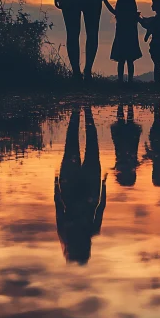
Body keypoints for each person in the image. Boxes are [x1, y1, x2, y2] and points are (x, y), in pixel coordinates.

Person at [55, 106, 107, 265]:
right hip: (72, 187)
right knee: (73, 143)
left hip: (85, 187)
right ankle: (77, 111)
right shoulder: (66, 231)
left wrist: (104, 186)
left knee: (90, 145)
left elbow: (101, 206)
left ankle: (84, 111)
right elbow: (57, 205)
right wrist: (56, 184)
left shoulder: (91, 231)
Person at [105, 0, 142, 84]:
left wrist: (105, 0)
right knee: (130, 61)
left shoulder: (119, 15)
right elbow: (144, 23)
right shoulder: (134, 16)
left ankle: (120, 79)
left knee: (121, 61)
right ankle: (130, 80)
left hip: (120, 41)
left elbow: (111, 9)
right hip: (131, 41)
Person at [110, 103, 142, 186]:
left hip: (126, 144)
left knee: (125, 122)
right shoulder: (127, 167)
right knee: (124, 122)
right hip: (125, 144)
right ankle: (124, 105)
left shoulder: (131, 166)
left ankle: (126, 105)